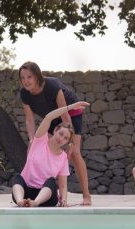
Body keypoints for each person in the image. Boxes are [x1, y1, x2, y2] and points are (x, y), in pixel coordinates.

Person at [19, 61, 92, 206]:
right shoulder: (24, 94)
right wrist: (32, 140)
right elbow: (29, 120)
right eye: (23, 78)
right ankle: (42, 191)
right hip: (51, 116)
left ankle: (87, 196)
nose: (26, 81)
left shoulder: (52, 85)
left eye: (29, 77)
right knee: (44, 148)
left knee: (74, 153)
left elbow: (64, 115)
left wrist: (70, 142)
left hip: (70, 112)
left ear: (37, 76)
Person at [11, 101, 90, 207]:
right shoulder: (39, 141)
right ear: (55, 130)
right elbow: (48, 117)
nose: (61, 138)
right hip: (26, 192)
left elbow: (63, 185)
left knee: (51, 181)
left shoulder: (63, 158)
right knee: (18, 178)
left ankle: (35, 203)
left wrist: (64, 200)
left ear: (67, 142)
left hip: (46, 198)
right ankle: (21, 201)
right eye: (61, 134)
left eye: (65, 138)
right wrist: (70, 107)